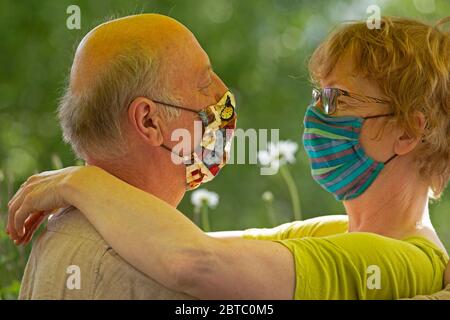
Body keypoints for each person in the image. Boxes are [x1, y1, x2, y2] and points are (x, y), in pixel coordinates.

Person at [8, 16, 450, 300]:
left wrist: (82, 182)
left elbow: (195, 261)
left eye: (338, 100)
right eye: (319, 96)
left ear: (409, 131)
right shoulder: (343, 231)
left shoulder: (402, 258)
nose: (315, 115)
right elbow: (195, 241)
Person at [11, 13, 237, 299]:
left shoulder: (58, 233)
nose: (223, 92)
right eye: (204, 83)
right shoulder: (157, 271)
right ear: (148, 121)